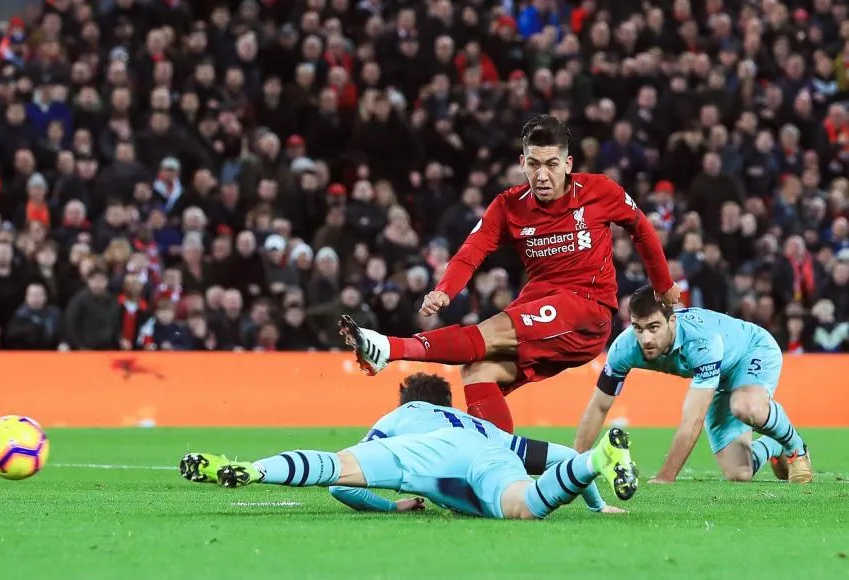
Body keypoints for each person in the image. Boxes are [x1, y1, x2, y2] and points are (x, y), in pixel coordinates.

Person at [339, 115, 680, 433]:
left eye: (551, 164)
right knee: (478, 370)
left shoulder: (600, 191)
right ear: (522, 163)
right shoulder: (508, 206)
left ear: (567, 164)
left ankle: (388, 347)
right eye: (533, 164)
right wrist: (445, 289)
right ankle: (501, 464)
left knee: (493, 330)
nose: (542, 175)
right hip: (542, 307)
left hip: (588, 308)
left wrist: (663, 285)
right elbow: (471, 251)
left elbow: (641, 228)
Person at [180, 373, 638, 519]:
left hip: (426, 453)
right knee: (526, 504)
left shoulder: (399, 417)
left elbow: (342, 486)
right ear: (447, 404)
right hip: (487, 454)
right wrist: (597, 506)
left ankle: (256, 469)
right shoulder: (480, 425)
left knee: (335, 466)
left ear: (408, 402)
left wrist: (391, 507)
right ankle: (602, 457)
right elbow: (562, 456)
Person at [573, 285, 813, 484]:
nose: (646, 339)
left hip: (751, 351)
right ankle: (773, 445)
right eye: (638, 328)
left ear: (672, 321)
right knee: (739, 473)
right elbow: (599, 406)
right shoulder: (624, 348)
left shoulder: (701, 341)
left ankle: (796, 449)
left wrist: (665, 477)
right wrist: (574, 468)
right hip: (718, 377)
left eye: (654, 327)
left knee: (746, 406)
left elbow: (693, 419)